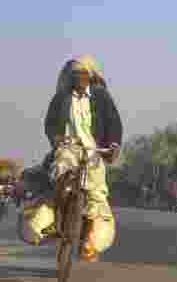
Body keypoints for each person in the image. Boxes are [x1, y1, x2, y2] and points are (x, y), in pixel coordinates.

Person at [43, 55, 123, 262]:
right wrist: (56, 138)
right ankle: (56, 220)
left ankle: (89, 239)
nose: (79, 77)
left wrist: (113, 145)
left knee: (96, 194)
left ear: (91, 76)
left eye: (83, 73)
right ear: (69, 77)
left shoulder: (101, 97)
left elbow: (114, 122)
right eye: (75, 74)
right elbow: (50, 122)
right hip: (68, 148)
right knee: (60, 174)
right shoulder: (61, 97)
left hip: (94, 151)